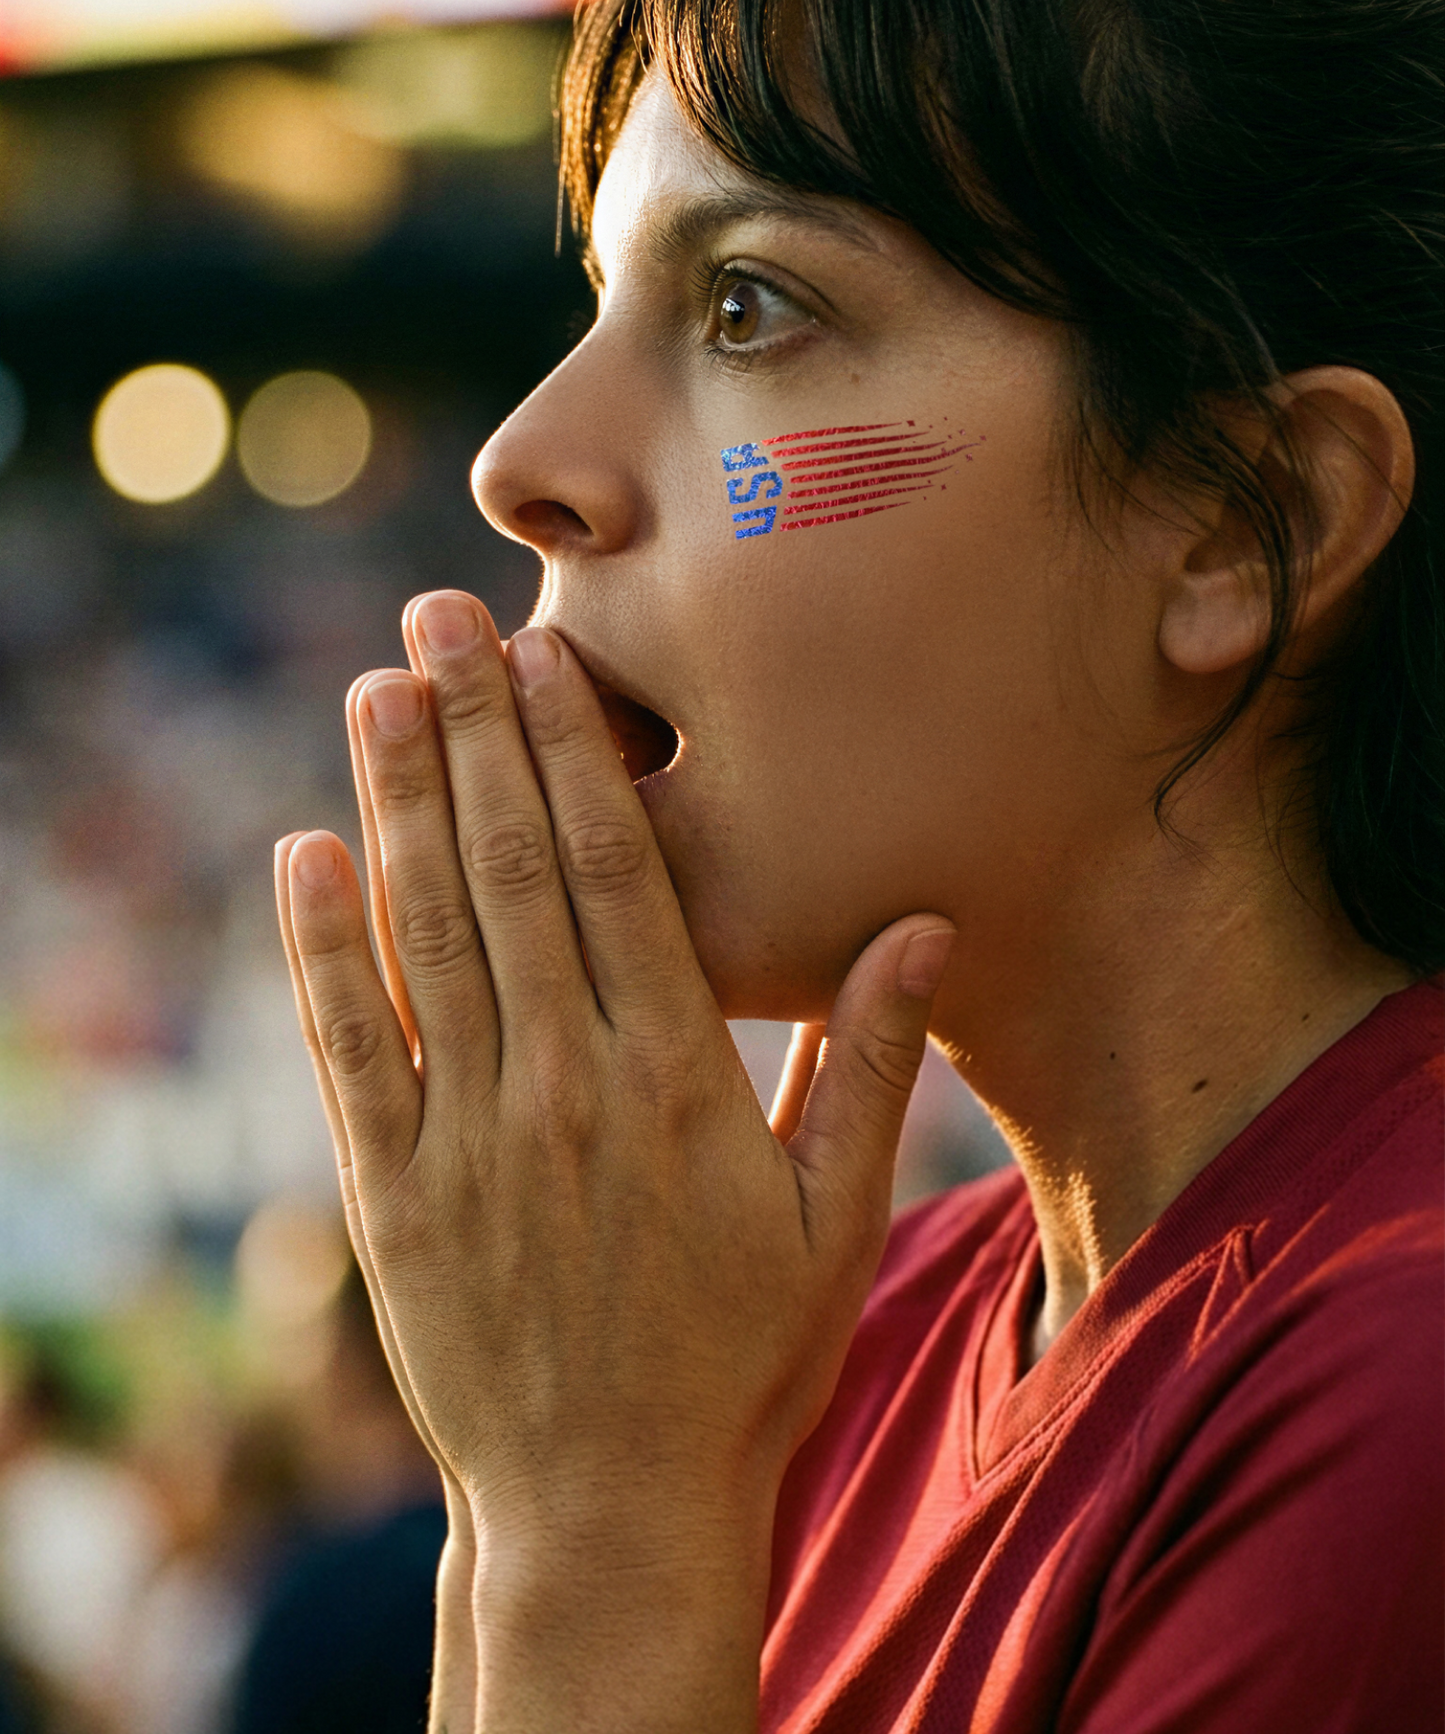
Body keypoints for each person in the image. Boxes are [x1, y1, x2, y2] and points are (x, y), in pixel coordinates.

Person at [274, 0, 1443, 1728]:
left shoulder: (1395, 1394)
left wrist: (592, 1528)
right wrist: (535, 1508)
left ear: (1240, 520)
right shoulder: (817, 1347)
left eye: (750, 304)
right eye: (597, 302)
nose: (520, 463)